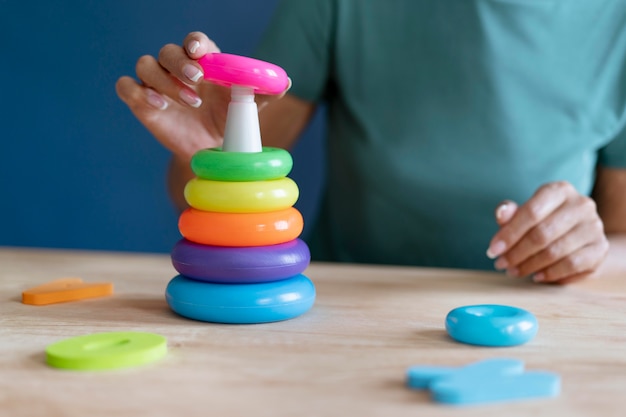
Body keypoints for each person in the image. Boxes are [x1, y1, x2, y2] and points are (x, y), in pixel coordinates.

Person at [116, 0, 626, 284]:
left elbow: (619, 234)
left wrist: (589, 248)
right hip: (344, 309)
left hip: (531, 312)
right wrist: (217, 154)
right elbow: (196, 188)